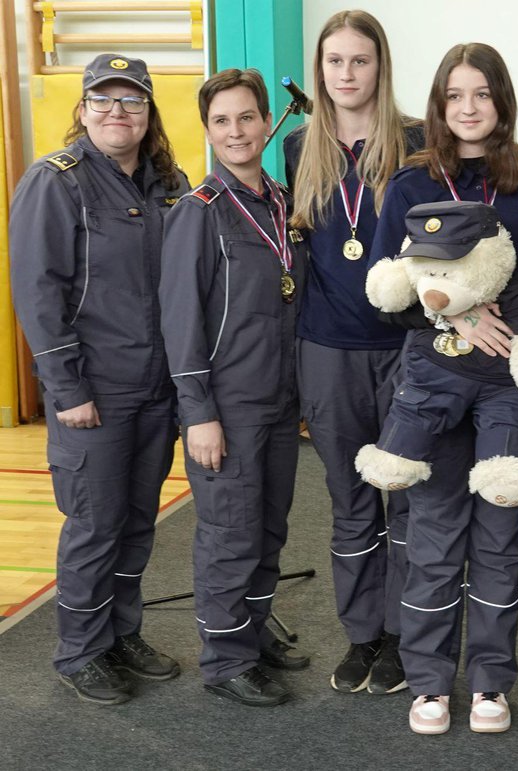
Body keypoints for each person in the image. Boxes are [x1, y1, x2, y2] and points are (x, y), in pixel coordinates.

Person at [369, 43, 518, 735]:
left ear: (502, 100)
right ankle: (429, 681)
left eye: (483, 94)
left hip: (509, 385)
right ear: (440, 104)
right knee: (437, 536)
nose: (469, 108)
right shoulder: (411, 183)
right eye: (455, 96)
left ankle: (492, 682)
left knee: (501, 537)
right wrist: (456, 312)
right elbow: (385, 291)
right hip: (435, 377)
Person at [9, 54, 189, 705]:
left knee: (138, 521)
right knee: (94, 523)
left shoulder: (169, 184)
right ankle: (80, 649)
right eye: (104, 100)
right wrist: (67, 389)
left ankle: (120, 634)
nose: (118, 111)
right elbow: (37, 292)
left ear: (148, 114)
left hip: (154, 390)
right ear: (83, 110)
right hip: (93, 392)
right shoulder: (55, 183)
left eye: (132, 101)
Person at [283, 9, 423, 696]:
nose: (345, 73)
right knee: (349, 500)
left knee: (407, 500)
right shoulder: (296, 152)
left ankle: (402, 635)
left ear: (380, 66)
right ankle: (362, 633)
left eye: (359, 61)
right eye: (334, 61)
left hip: (404, 350)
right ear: (321, 70)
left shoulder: (419, 145)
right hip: (328, 350)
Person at [159, 69, 309, 707]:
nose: (236, 131)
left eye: (247, 117)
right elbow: (180, 320)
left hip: (280, 401)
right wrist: (198, 413)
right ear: (208, 131)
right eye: (221, 121)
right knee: (229, 532)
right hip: (227, 404)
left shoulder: (284, 203)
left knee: (269, 527)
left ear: (264, 121)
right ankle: (225, 660)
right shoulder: (198, 214)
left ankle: (250, 629)